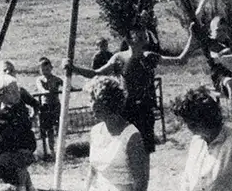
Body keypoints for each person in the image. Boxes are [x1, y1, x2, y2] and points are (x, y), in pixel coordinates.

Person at [69, 23, 165, 151]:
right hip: (126, 109)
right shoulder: (119, 58)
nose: (144, 42)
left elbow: (180, 60)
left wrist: (190, 40)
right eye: (140, 38)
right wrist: (74, 68)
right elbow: (96, 73)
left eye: (145, 38)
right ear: (130, 41)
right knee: (125, 146)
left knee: (146, 148)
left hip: (145, 109)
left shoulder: (150, 57)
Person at [34, 57, 63, 159]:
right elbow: (40, 88)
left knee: (59, 127)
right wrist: (44, 91)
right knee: (48, 129)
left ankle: (60, 148)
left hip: (55, 105)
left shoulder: (56, 79)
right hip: (46, 106)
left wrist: (69, 88)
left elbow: (65, 84)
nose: (45, 72)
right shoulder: (40, 80)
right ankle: (51, 150)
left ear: (51, 68)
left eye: (47, 69)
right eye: (42, 70)